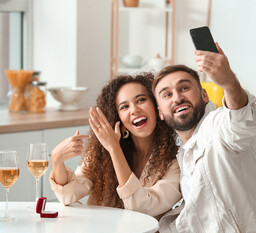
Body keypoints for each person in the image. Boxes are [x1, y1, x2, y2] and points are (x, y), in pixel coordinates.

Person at [153, 43, 256, 233]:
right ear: (160, 113)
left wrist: (229, 82)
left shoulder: (217, 127)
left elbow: (241, 120)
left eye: (185, 88)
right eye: (167, 95)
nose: (177, 97)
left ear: (204, 95)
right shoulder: (182, 154)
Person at [49, 73, 182, 219]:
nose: (134, 110)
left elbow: (142, 207)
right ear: (118, 118)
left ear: (157, 106)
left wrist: (114, 149)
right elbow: (68, 195)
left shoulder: (176, 161)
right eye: (124, 106)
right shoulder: (102, 152)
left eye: (141, 100)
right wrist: (57, 159)